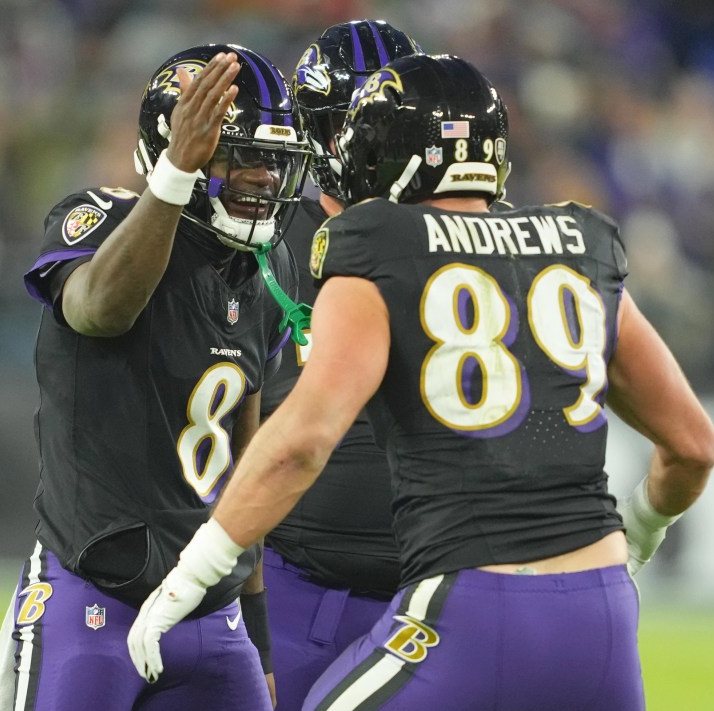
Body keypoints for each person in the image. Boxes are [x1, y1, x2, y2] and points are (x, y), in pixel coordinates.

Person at [126, 53, 714, 710]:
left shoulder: (377, 243)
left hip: (472, 603)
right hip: (603, 612)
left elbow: (302, 442)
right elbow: (694, 446)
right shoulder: (581, 243)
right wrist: (638, 534)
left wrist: (193, 574)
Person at [0, 44, 310, 711]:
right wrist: (177, 174)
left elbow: (244, 462)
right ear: (176, 145)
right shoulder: (102, 216)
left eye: (273, 159)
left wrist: (260, 635)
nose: (265, 177)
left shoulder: (270, 268)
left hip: (212, 613)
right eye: (240, 155)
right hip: (94, 597)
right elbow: (98, 309)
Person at [258, 20, 421, 711]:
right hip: (290, 588)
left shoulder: (461, 241)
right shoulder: (262, 238)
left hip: (429, 603)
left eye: (383, 127)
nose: (365, 147)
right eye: (347, 126)